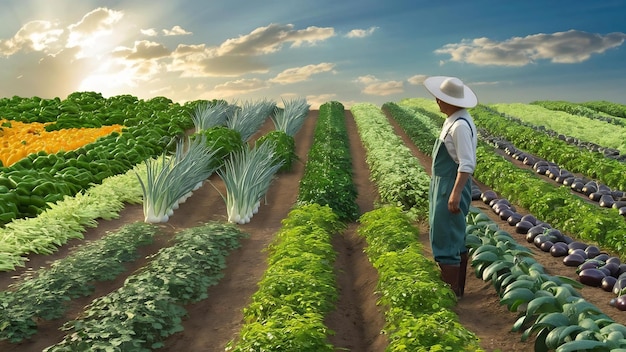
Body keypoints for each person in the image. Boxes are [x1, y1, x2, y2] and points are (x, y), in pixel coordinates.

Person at [423, 76, 478, 298]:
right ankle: (457, 290)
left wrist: (455, 193)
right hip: (443, 184)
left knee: (446, 238)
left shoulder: (460, 126)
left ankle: (451, 294)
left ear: (454, 101)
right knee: (449, 234)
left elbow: (467, 163)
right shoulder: (454, 119)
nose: (437, 100)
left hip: (450, 185)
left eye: (442, 98)